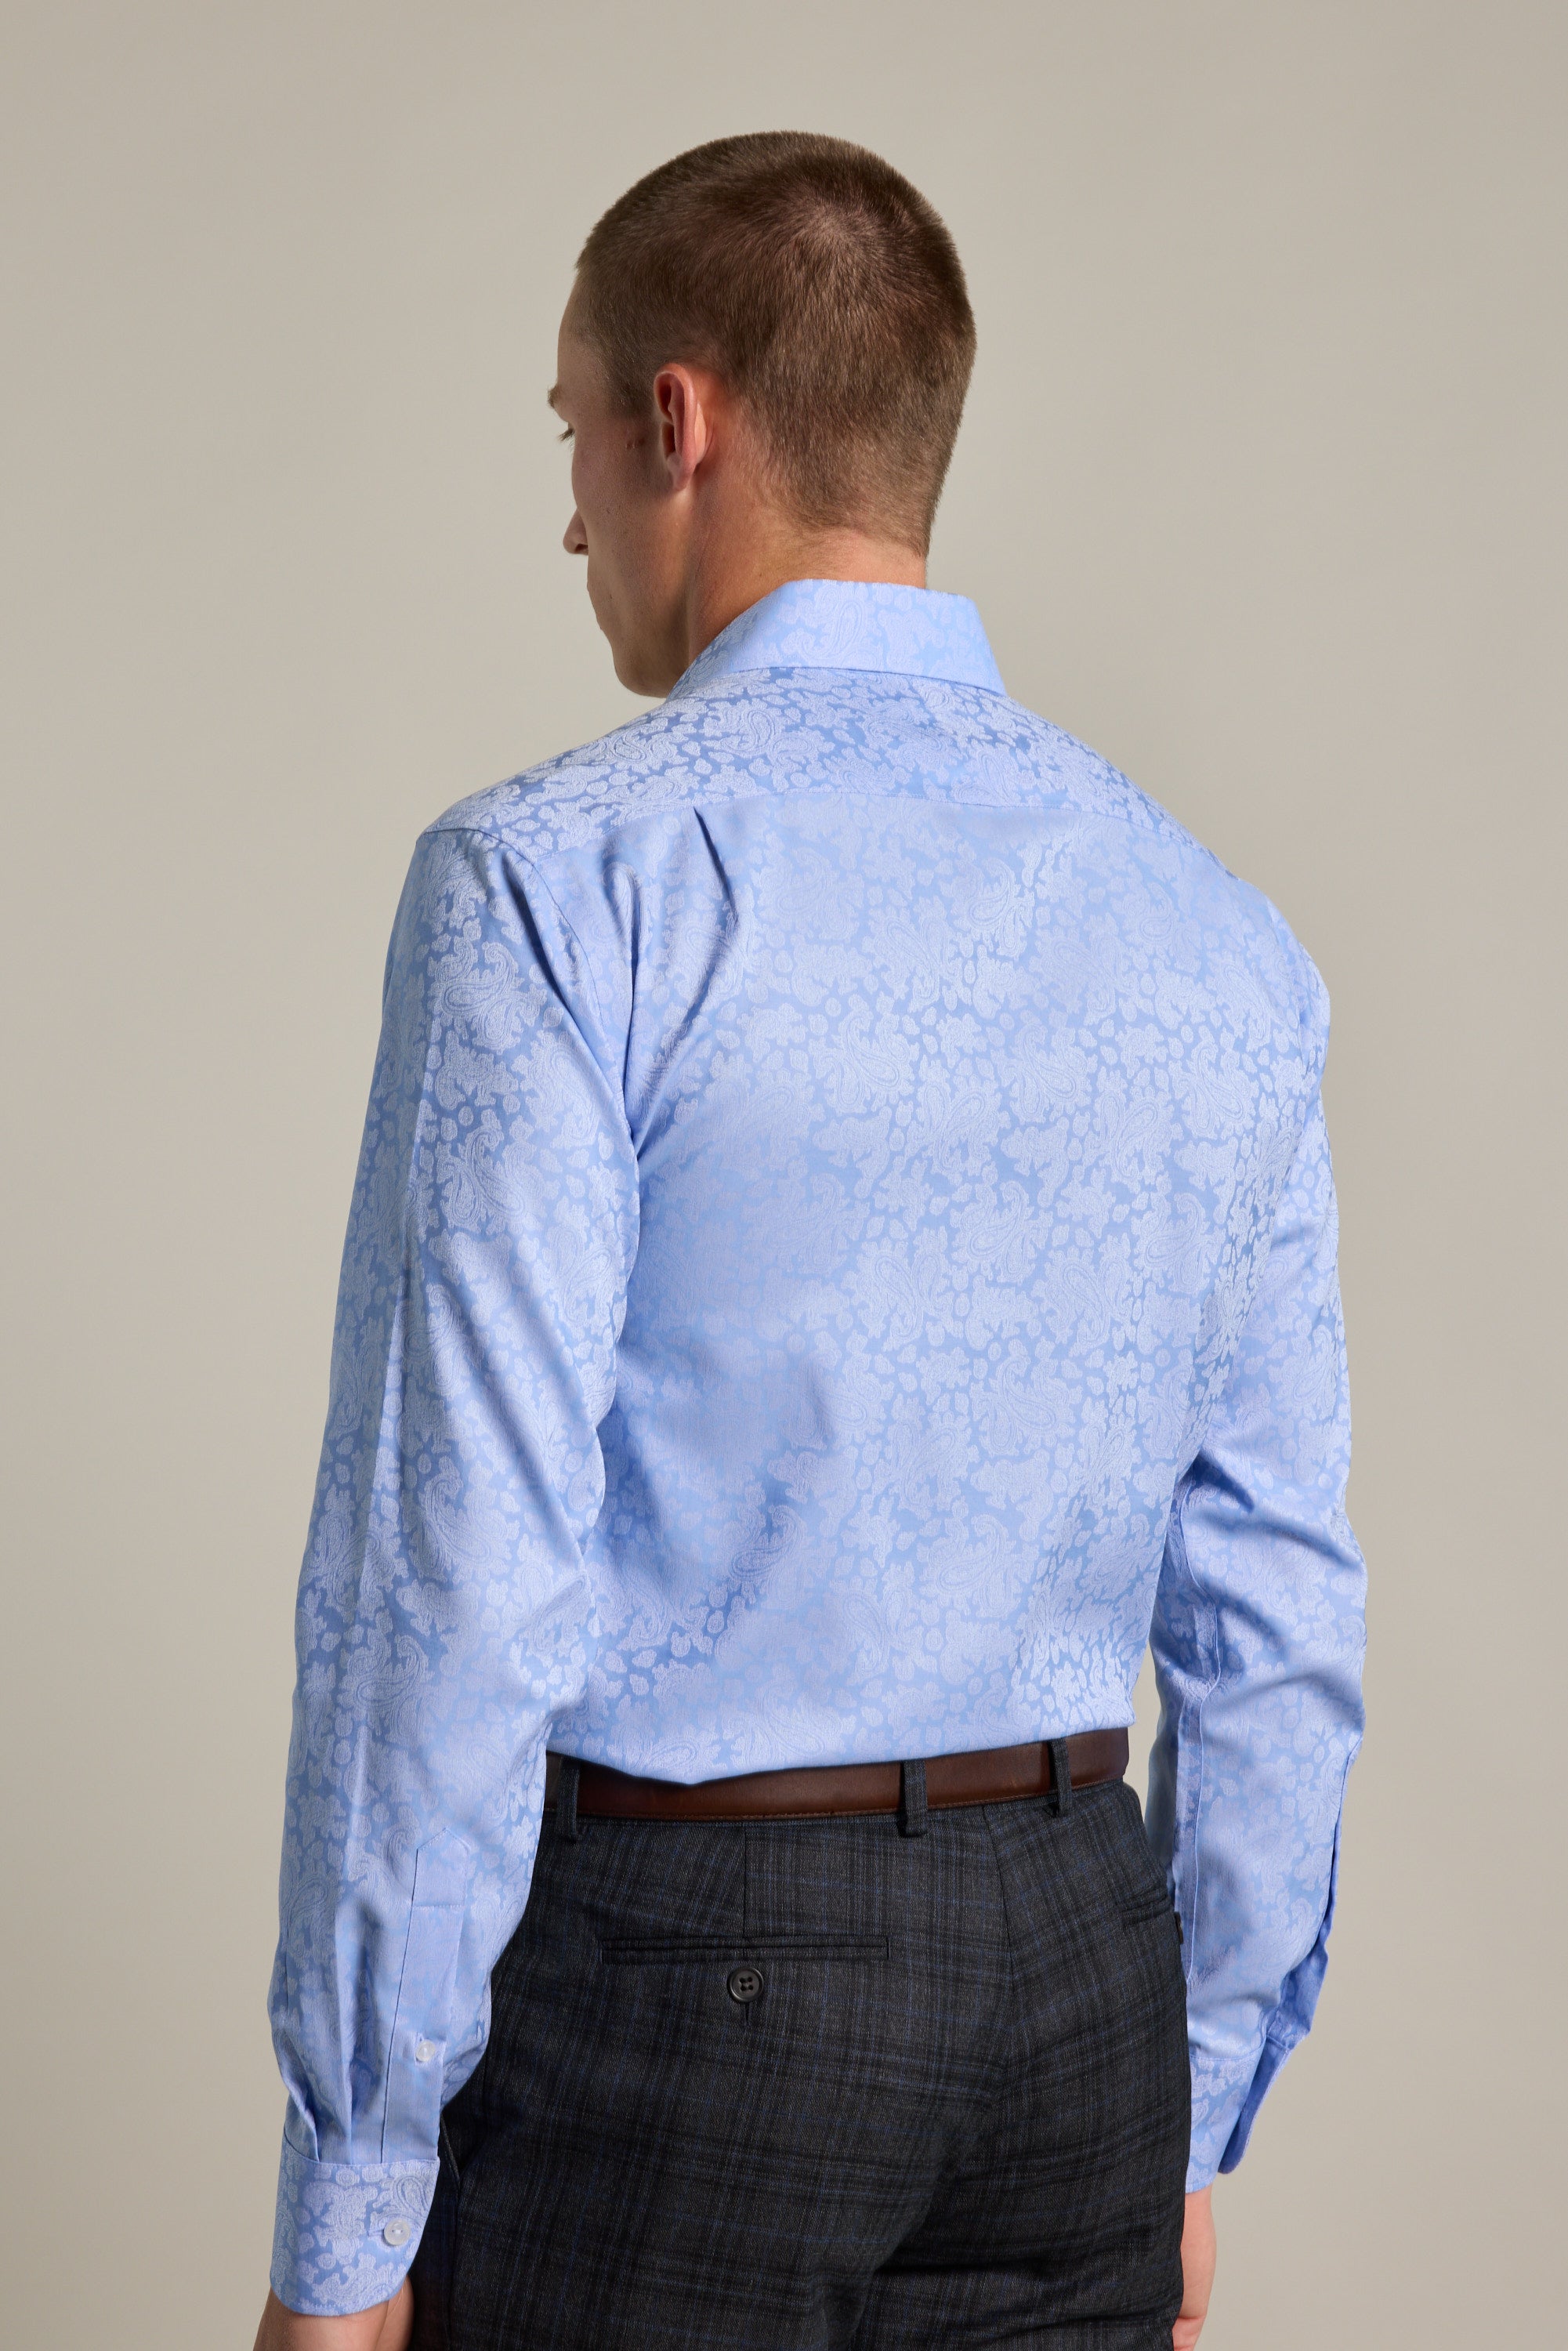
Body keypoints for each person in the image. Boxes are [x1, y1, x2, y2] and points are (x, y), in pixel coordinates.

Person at [252, 132, 1365, 2351]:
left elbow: (450, 1572)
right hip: (1080, 1993)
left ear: (681, 420)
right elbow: (1276, 1595)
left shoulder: (560, 890)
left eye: (573, 429)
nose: (570, 513)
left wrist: (352, 2197)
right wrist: (1191, 2099)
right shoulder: (1209, 931)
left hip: (692, 1989)